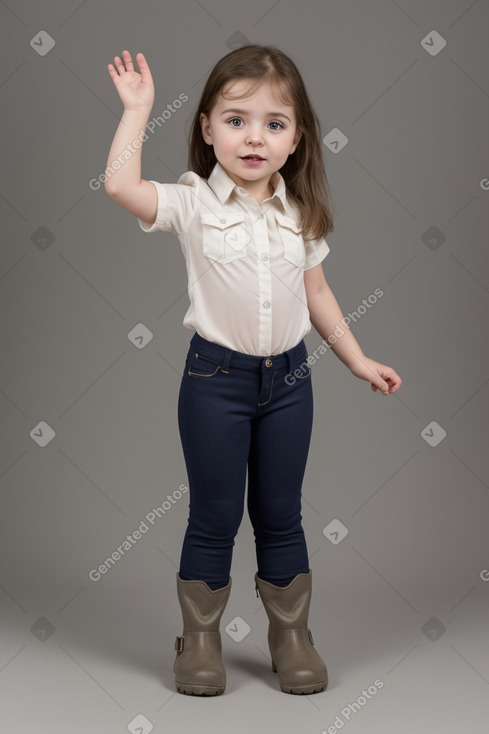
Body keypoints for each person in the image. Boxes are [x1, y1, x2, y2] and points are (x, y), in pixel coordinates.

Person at [105, 44, 402, 697]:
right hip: (215, 383)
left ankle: (290, 638)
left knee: (281, 514)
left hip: (290, 384)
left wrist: (355, 359)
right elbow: (121, 186)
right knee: (213, 515)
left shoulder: (298, 214)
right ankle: (200, 643)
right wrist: (138, 111)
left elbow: (317, 293)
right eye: (235, 120)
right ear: (206, 128)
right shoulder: (192, 204)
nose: (253, 137)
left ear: (295, 140)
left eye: (274, 123)